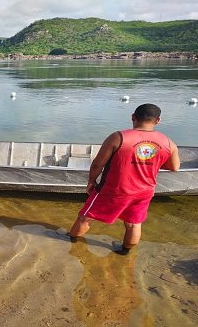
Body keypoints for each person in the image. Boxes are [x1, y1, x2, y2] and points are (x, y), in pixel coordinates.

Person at [68, 104, 180, 255]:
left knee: (86, 217)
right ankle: (124, 252)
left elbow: (97, 164)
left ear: (133, 117)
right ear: (158, 120)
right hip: (145, 191)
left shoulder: (119, 137)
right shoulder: (168, 142)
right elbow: (174, 167)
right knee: (134, 223)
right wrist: (148, 162)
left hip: (115, 189)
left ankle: (71, 242)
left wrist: (91, 181)